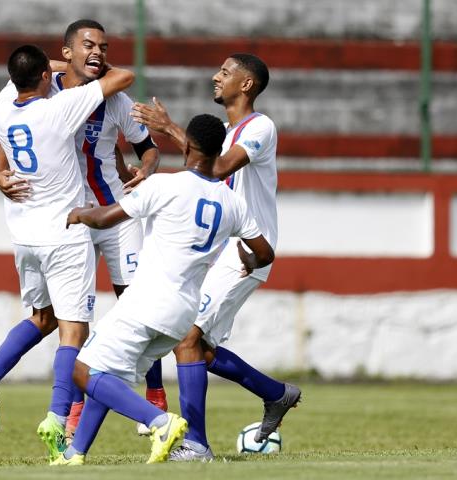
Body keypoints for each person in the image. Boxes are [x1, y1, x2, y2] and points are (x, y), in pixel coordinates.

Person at [50, 114, 276, 465]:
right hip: (182, 314)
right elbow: (265, 253)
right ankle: (75, 453)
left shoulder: (166, 186)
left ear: (186, 146)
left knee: (81, 371)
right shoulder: (233, 203)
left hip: (147, 302)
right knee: (104, 373)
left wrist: (79, 214)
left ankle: (160, 422)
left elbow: (106, 217)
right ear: (219, 151)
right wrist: (246, 256)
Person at [0, 19, 164, 442]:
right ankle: (74, 408)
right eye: (88, 45)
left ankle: (154, 395)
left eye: (104, 45)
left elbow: (147, 148)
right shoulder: (47, 92)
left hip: (113, 211)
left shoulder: (114, 97)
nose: (98, 51)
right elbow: (9, 138)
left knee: (135, 303)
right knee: (68, 319)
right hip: (66, 220)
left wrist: (146, 170)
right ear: (64, 53)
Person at [0, 43, 134, 461]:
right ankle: (57, 420)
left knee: (42, 318)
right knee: (73, 332)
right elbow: (122, 78)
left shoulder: (2, 104)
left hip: (23, 233)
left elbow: (23, 76)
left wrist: (51, 66)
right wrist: (83, 64)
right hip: (64, 233)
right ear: (45, 75)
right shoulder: (58, 111)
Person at [130, 53, 301, 460]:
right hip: (220, 251)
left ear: (246, 85)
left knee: (187, 339)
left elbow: (218, 167)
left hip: (247, 253)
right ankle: (276, 393)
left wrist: (168, 127)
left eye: (225, 72)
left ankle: (196, 445)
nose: (215, 77)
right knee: (194, 347)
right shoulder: (225, 129)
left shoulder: (260, 127)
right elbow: (203, 169)